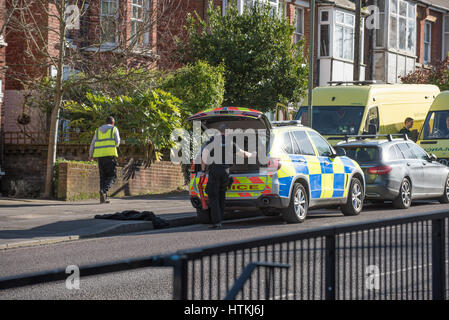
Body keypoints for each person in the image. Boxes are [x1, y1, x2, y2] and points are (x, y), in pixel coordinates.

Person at [200, 123, 255, 229]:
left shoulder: (212, 141)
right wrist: (252, 154)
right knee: (221, 196)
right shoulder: (230, 143)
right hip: (225, 172)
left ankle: (217, 222)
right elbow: (243, 154)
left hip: (215, 170)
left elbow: (204, 157)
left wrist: (203, 171)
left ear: (218, 131)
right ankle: (220, 220)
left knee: (214, 196)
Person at [89, 116, 120, 204]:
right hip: (110, 156)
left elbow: (92, 144)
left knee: (103, 177)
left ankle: (103, 198)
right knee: (112, 176)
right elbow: (117, 142)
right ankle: (103, 190)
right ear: (113, 123)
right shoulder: (114, 129)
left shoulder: (98, 130)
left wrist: (90, 155)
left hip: (100, 157)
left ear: (105, 122)